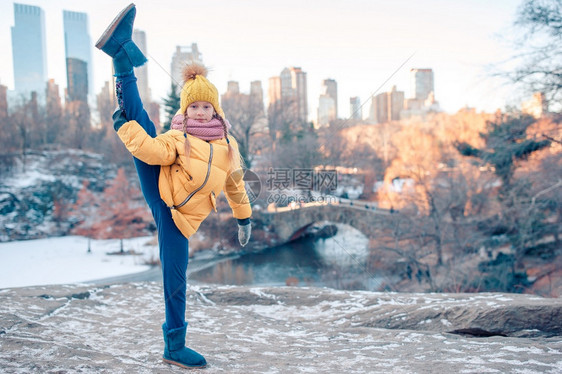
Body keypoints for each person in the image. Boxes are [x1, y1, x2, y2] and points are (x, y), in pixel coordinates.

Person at [95, 3, 252, 369]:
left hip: (185, 215)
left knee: (176, 273)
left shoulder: (229, 147)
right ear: (186, 110)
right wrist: (125, 128)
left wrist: (244, 219)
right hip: (165, 198)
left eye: (205, 107)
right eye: (192, 106)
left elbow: (235, 185)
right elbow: (150, 149)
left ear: (216, 111)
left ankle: (120, 54)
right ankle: (175, 346)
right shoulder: (178, 137)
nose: (199, 112)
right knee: (144, 127)